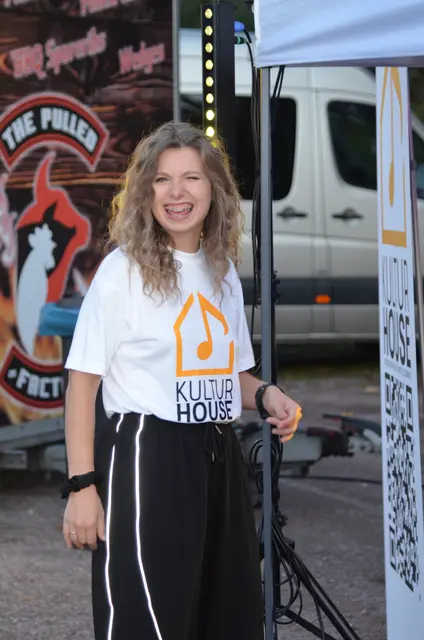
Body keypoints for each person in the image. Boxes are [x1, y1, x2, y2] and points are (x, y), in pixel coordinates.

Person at [61, 121, 302, 640]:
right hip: (148, 454)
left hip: (219, 453)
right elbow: (82, 384)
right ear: (144, 191)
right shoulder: (122, 272)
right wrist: (82, 486)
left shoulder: (222, 271)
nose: (177, 193)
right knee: (149, 620)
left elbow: (230, 373)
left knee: (226, 616)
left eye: (191, 178)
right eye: (162, 179)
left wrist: (266, 395)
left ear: (214, 189)